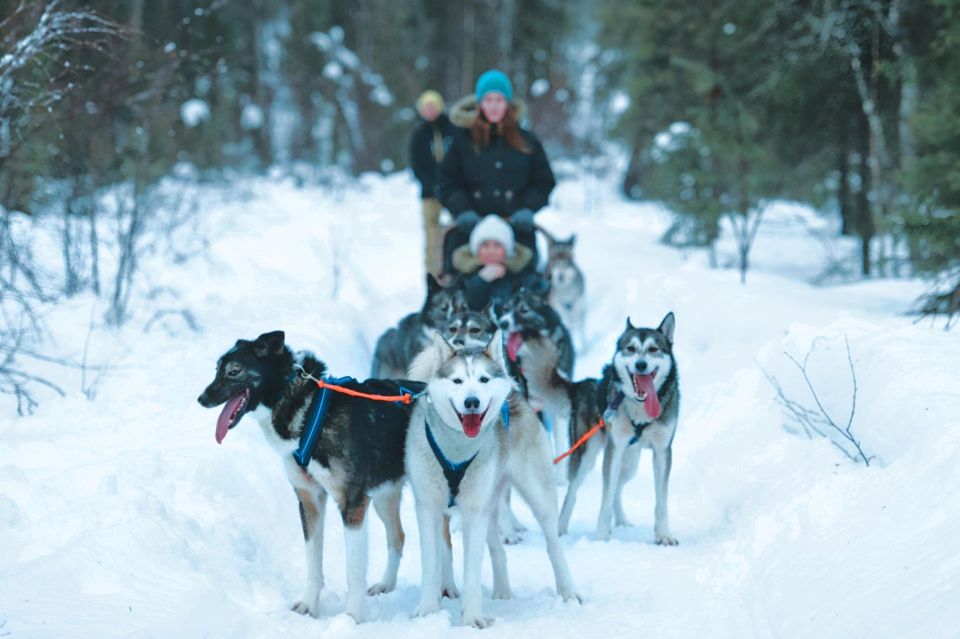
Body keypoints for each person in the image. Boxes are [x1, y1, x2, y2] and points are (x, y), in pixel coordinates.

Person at [438, 69, 556, 274]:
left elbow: (544, 181)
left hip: (516, 228)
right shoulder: (462, 141)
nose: (494, 106)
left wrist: (528, 208)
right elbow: (446, 182)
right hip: (470, 230)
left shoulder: (527, 141)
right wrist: (462, 211)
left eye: (499, 100)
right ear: (479, 104)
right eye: (488, 100)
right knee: (457, 281)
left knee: (528, 284)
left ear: (508, 104)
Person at [409, 90, 456, 275]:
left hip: (453, 190)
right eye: (426, 107)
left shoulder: (452, 129)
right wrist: (432, 185)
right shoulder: (419, 133)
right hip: (430, 193)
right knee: (432, 235)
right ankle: (433, 275)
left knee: (456, 230)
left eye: (433, 106)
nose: (430, 111)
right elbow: (417, 165)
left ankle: (455, 271)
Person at [452, 214, 539, 310]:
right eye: (485, 245)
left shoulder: (521, 275)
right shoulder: (464, 277)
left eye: (497, 245)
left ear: (506, 250)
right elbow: (466, 307)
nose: (491, 251)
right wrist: (481, 280)